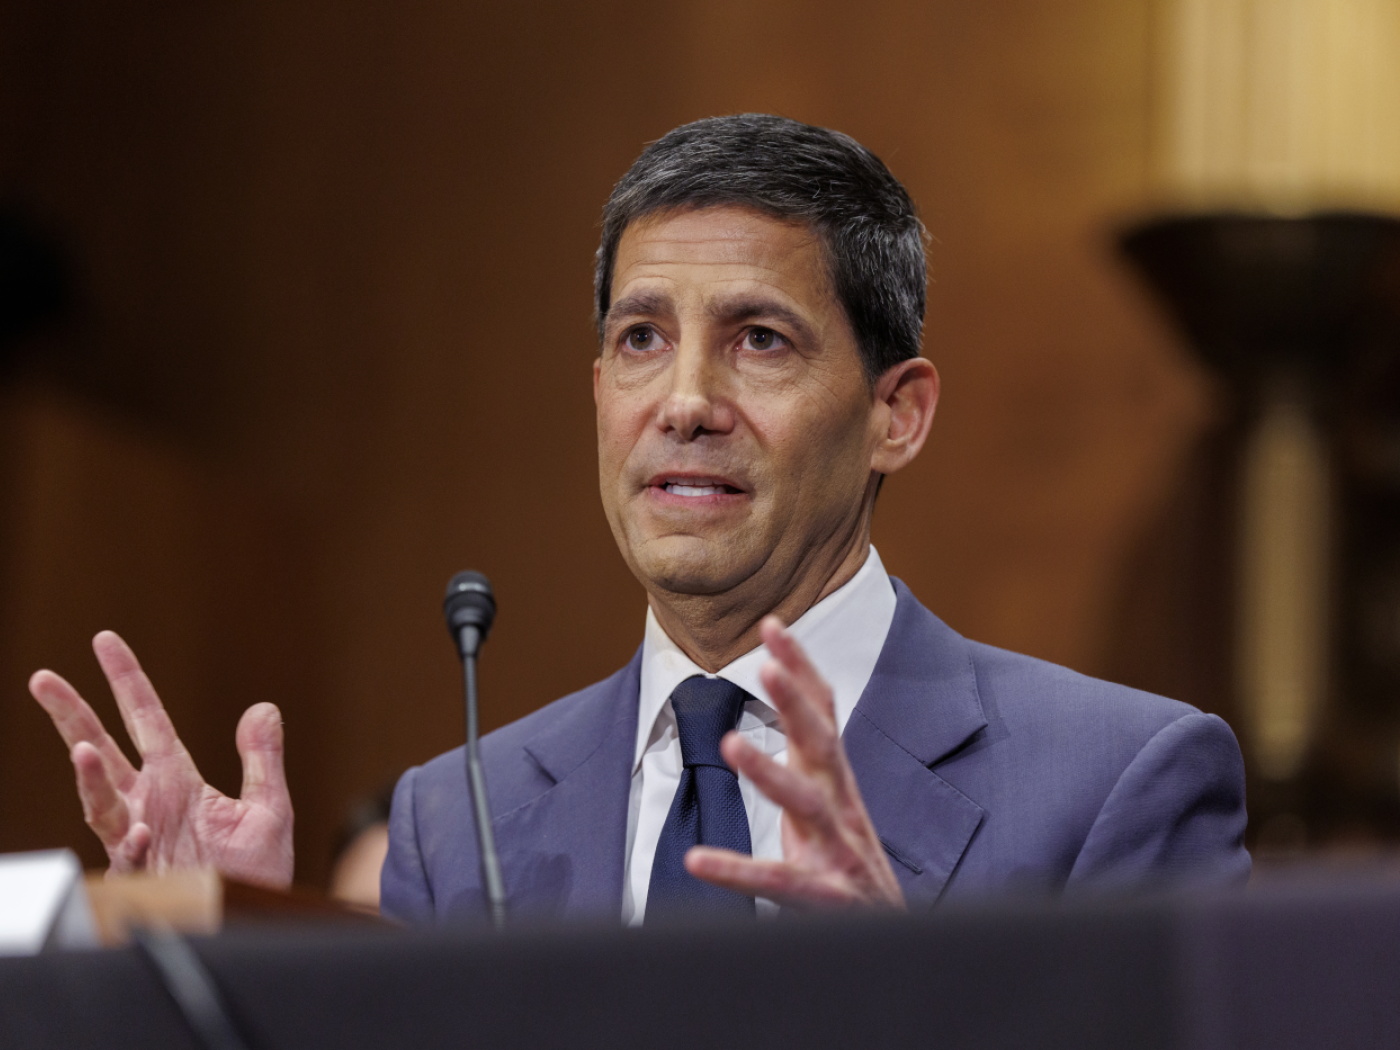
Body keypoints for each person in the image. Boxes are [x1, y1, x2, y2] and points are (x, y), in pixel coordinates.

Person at [29, 115, 1249, 924]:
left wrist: (899, 1006)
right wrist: (234, 966)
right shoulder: (455, 822)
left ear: (896, 413)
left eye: (758, 339)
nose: (684, 402)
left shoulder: (1115, 783)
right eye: (640, 339)